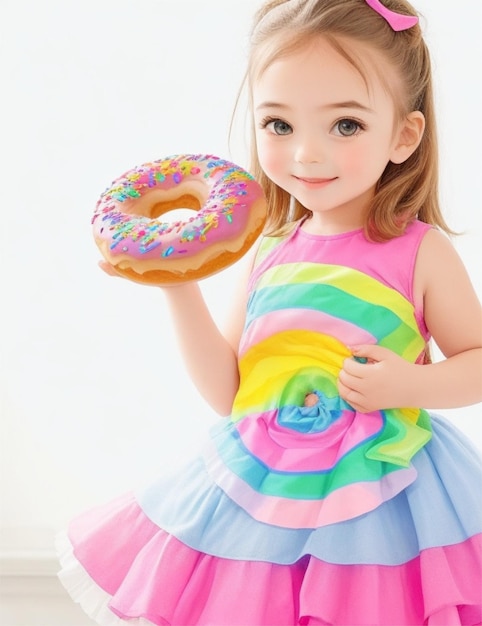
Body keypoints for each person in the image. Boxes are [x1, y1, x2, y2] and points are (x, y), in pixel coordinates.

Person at [57, 0, 482, 624]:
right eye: (279, 125)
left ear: (403, 135)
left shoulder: (419, 250)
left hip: (384, 493)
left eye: (345, 125)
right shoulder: (270, 251)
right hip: (263, 488)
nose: (306, 154)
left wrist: (409, 383)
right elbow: (230, 393)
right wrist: (178, 287)